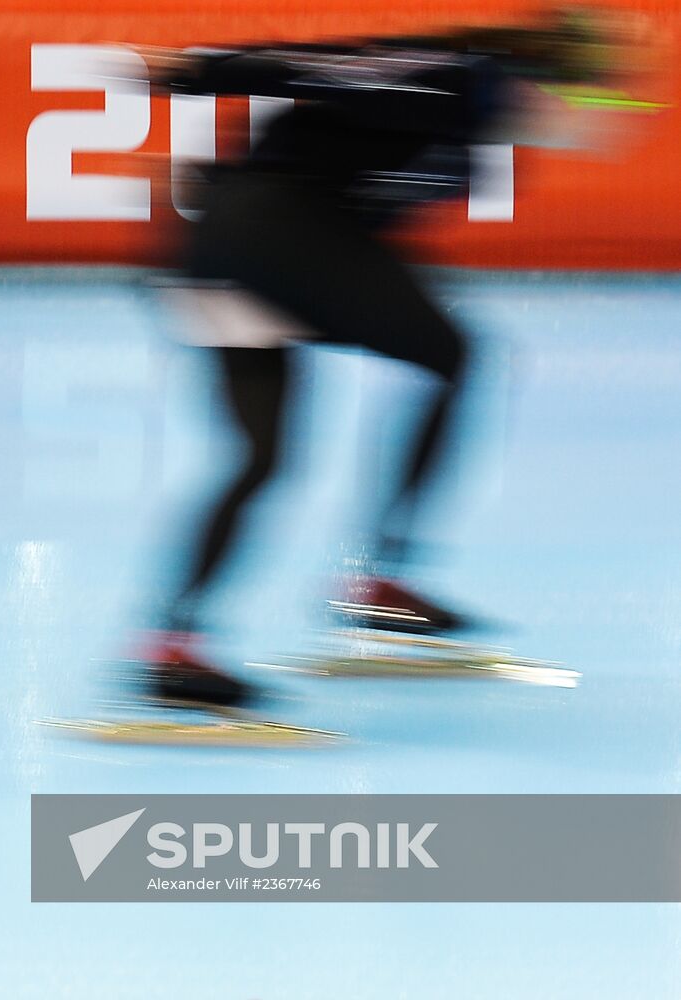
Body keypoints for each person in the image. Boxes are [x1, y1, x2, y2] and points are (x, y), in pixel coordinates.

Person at [131, 8, 634, 708]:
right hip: (265, 236)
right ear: (543, 80)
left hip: (235, 250)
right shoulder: (458, 79)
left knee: (263, 457)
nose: (587, 124)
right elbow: (325, 67)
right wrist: (197, 73)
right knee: (453, 353)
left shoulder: (465, 132)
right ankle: (379, 583)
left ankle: (171, 646)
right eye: (590, 101)